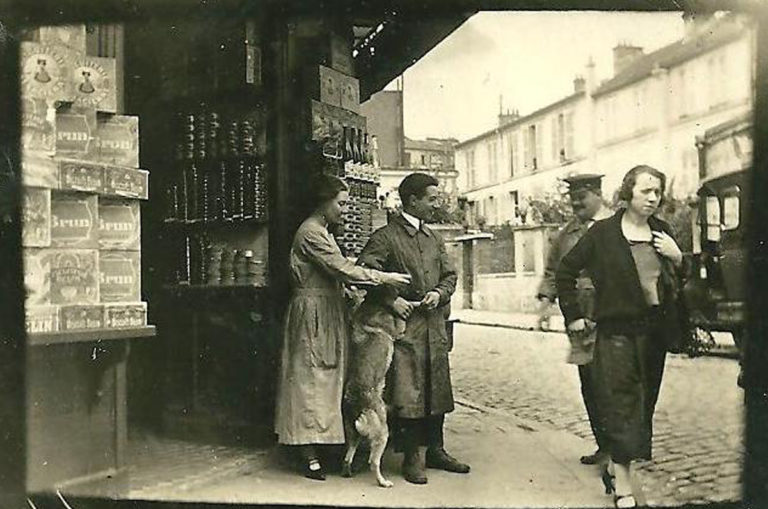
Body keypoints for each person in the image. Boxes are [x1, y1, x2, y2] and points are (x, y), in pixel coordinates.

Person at [556, 165, 684, 508]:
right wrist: (574, 317)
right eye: (646, 191)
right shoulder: (604, 234)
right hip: (615, 332)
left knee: (644, 406)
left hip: (653, 333)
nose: (653, 198)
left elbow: (678, 285)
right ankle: (624, 485)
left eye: (658, 191)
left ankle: (614, 467)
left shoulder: (662, 231)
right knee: (623, 404)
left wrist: (678, 256)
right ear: (627, 194)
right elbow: (565, 272)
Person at [274, 174, 410, 481]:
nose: (344, 209)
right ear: (323, 201)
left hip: (326, 310)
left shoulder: (323, 231)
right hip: (313, 313)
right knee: (310, 379)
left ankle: (320, 447)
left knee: (326, 379)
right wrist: (384, 278)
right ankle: (306, 453)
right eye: (341, 203)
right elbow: (341, 268)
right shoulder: (311, 233)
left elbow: (335, 272)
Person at [356, 172, 469, 485]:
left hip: (435, 326)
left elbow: (450, 275)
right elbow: (366, 273)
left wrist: (439, 293)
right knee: (409, 391)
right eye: (431, 199)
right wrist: (392, 301)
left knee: (438, 388)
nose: (436, 205)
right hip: (405, 328)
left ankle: (436, 449)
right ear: (412, 200)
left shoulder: (433, 237)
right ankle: (412, 457)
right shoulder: (385, 236)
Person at [536, 173, 612, 466]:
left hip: (613, 316)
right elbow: (553, 272)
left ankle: (621, 449)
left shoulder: (619, 227)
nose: (576, 204)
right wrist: (545, 306)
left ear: (598, 195)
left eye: (582, 198)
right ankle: (604, 445)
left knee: (616, 383)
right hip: (580, 320)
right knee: (590, 383)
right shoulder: (566, 235)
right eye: (572, 199)